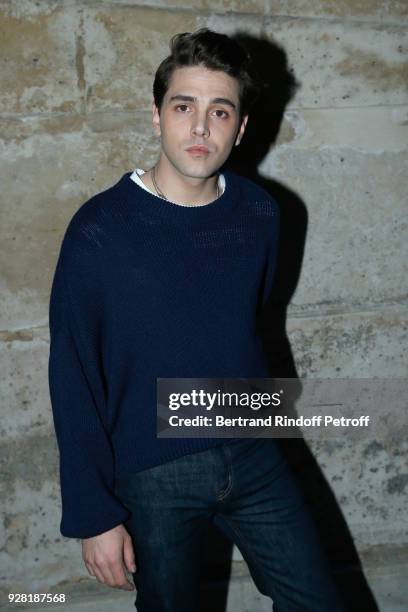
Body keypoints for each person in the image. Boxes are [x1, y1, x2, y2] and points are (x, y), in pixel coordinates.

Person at [48, 27, 347, 611]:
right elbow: (73, 373)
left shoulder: (262, 213)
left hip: (255, 453)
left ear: (240, 127)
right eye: (184, 107)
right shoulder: (99, 231)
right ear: (157, 115)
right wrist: (93, 515)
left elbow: (246, 326)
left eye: (220, 110)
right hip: (154, 471)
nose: (200, 127)